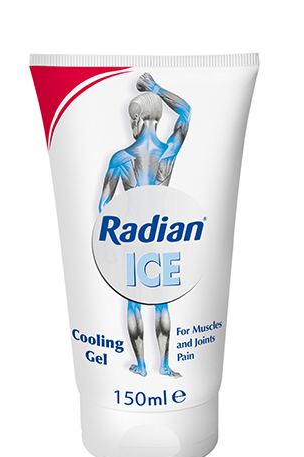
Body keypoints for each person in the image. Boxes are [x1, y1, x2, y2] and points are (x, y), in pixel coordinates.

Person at [97, 73, 191, 378]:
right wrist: (156, 89)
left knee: (133, 302)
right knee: (162, 302)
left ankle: (140, 365)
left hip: (132, 238)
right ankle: (164, 365)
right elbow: (186, 111)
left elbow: (103, 205)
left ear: (137, 119)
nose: (130, 124)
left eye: (131, 119)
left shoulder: (120, 158)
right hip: (162, 238)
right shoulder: (168, 153)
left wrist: (110, 242)